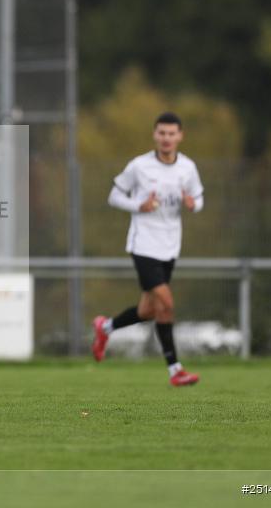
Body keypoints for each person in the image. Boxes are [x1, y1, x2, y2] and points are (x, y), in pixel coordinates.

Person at [92, 112, 204, 386]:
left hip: (170, 246)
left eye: (171, 133)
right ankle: (175, 370)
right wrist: (138, 205)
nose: (166, 138)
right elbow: (114, 196)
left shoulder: (187, 168)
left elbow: (198, 198)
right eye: (161, 133)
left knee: (149, 311)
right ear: (154, 134)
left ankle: (105, 327)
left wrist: (193, 205)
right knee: (166, 303)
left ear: (180, 136)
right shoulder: (139, 166)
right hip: (143, 245)